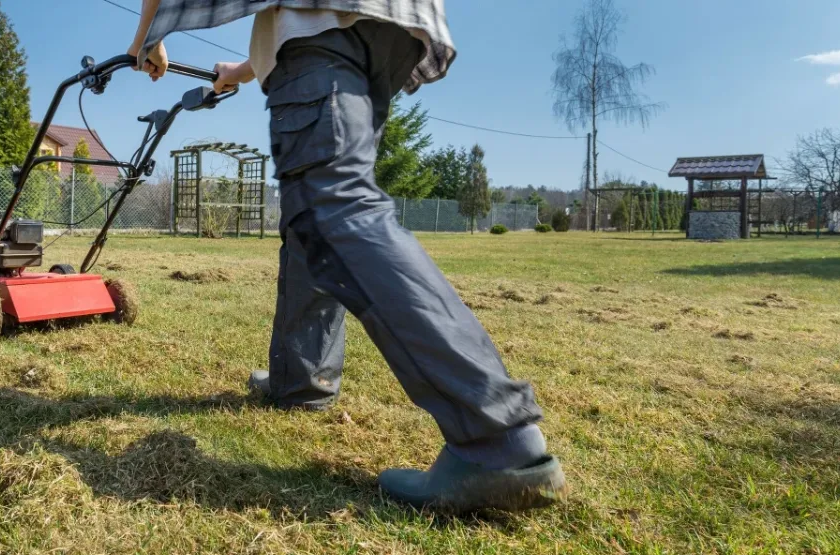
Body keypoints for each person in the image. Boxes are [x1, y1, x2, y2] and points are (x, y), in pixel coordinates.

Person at [127, 1, 567, 514]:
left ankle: (497, 435)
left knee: (332, 205)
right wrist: (243, 69)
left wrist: (146, 39)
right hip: (384, 31)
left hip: (323, 33)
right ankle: (301, 377)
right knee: (310, 217)